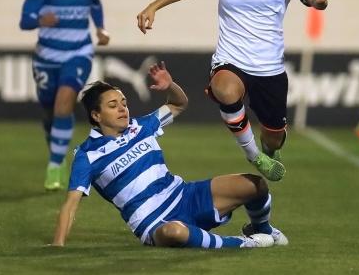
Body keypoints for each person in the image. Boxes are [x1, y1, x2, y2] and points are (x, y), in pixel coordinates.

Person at [136, 0, 334, 181]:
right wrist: (153, 6)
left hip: (269, 68)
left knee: (274, 137)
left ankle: (268, 147)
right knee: (225, 90)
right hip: (231, 60)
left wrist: (317, 1)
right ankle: (254, 155)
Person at [52, 62, 287, 249]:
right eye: (113, 105)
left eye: (123, 102)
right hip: (154, 223)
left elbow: (178, 104)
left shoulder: (141, 126)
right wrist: (57, 246)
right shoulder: (87, 155)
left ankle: (262, 230)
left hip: (185, 195)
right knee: (176, 231)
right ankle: (244, 244)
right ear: (96, 115)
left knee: (255, 185)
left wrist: (170, 85)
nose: (123, 108)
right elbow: (71, 204)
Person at [20, 0, 110, 190]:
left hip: (78, 52)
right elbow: (24, 20)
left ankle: (55, 167)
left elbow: (95, 5)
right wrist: (39, 19)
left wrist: (101, 29)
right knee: (51, 111)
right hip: (46, 58)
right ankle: (55, 143)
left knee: (64, 103)